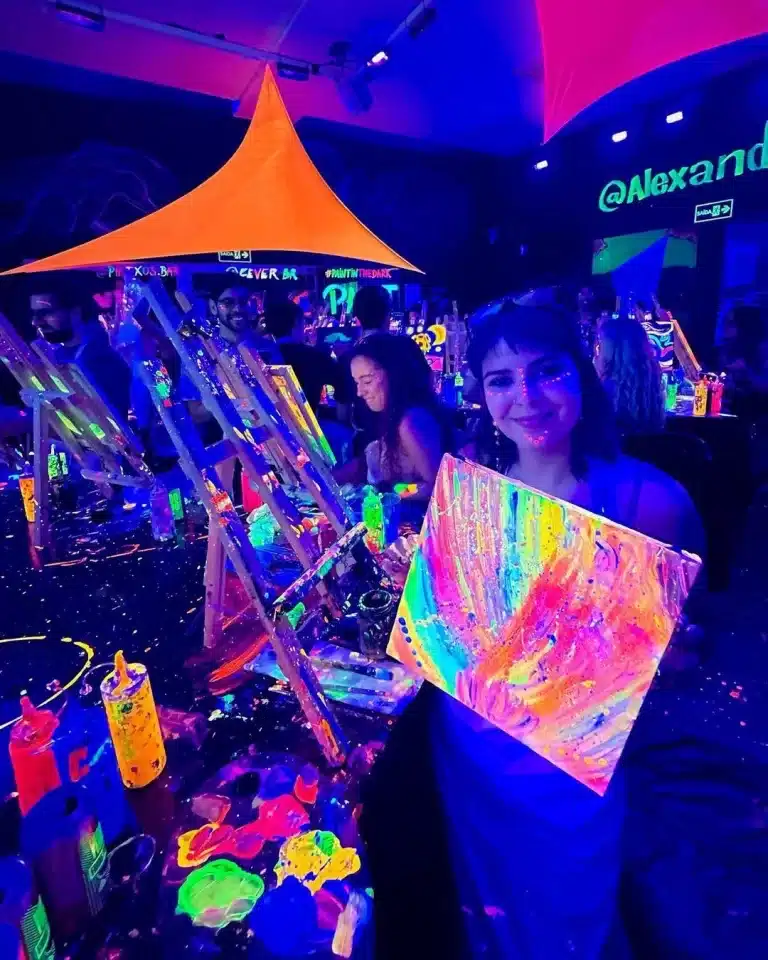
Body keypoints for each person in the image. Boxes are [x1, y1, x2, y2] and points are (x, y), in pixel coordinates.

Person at [361, 302, 702, 960]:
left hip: (571, 765)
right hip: (470, 744)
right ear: (482, 394)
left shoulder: (653, 499)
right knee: (486, 910)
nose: (527, 397)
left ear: (580, 375)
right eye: (501, 380)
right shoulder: (470, 484)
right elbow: (453, 617)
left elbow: (686, 649)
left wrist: (668, 647)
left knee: (572, 908)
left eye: (548, 371)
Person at [333, 333, 449, 500]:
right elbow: (363, 465)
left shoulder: (411, 420)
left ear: (395, 376)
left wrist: (391, 492)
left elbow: (435, 487)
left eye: (367, 381)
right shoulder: (393, 415)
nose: (359, 392)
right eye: (357, 382)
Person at [29, 275, 131, 421]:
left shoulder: (103, 362)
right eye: (34, 314)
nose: (35, 322)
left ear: (76, 312)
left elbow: (114, 426)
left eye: (46, 313)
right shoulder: (56, 357)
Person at [262, 299, 347, 412]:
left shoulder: (260, 356)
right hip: (307, 420)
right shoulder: (316, 357)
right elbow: (343, 384)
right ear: (296, 322)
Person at [595, 314, 665, 435]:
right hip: (650, 446)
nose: (597, 354)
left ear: (610, 353)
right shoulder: (651, 386)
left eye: (600, 347)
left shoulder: (603, 393)